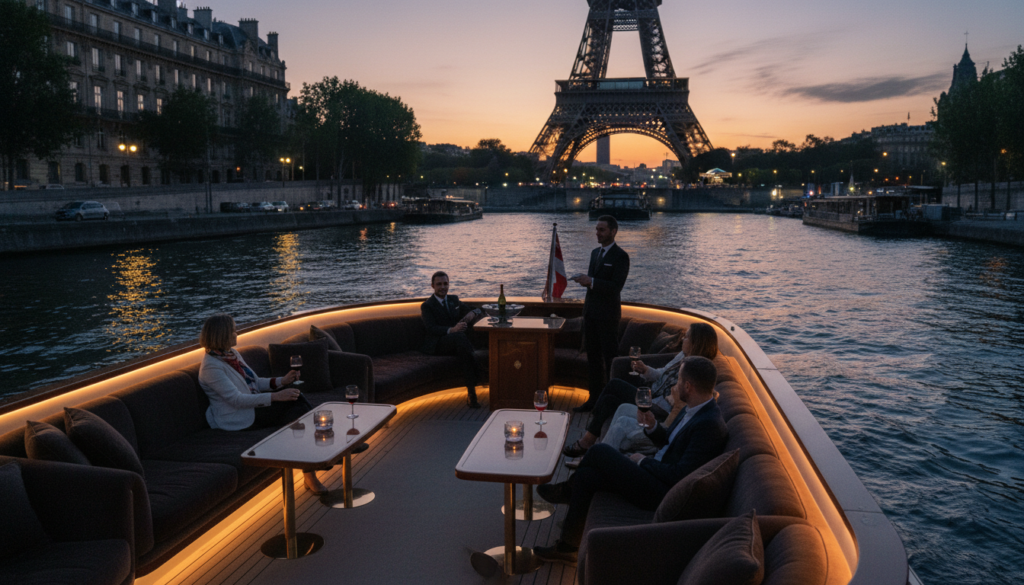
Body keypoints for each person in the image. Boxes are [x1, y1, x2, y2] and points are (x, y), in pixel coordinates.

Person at [534, 356, 728, 564]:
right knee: (588, 476)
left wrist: (642, 461)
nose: (676, 385)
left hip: (659, 490)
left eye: (679, 380)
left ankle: (566, 491)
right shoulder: (694, 408)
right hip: (656, 471)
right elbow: (670, 441)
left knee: (600, 452)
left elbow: (680, 475)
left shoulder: (708, 426)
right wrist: (654, 427)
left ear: (688, 386)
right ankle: (568, 547)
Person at [197, 314, 327, 494]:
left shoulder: (231, 355)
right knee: (295, 410)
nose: (237, 333)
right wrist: (276, 396)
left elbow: (255, 383)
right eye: (233, 330)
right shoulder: (211, 367)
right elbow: (237, 400)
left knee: (296, 399)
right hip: (237, 417)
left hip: (252, 405)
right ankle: (317, 459)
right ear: (222, 335)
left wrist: (283, 380)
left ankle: (316, 458)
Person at [561, 323, 719, 457]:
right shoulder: (682, 356)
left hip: (658, 408)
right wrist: (645, 369)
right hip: (653, 394)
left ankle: (588, 443)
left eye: (687, 337)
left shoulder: (694, 372)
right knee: (610, 400)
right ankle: (592, 446)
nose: (683, 339)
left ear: (696, 343)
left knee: (614, 385)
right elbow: (661, 372)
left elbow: (682, 402)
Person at [571, 215, 630, 412]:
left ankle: (611, 403)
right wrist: (587, 282)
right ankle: (593, 400)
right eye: (597, 229)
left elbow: (616, 287)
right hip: (591, 315)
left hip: (608, 317)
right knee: (593, 360)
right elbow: (593, 286)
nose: (597, 233)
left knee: (610, 360)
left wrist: (591, 281)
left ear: (613, 232)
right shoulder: (594, 253)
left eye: (602, 230)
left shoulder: (621, 256)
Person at [421, 271, 484, 408]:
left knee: (464, 351)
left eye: (445, 284)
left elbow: (476, 310)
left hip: (457, 343)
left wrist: (472, 313)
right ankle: (478, 371)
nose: (443, 287)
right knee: (460, 337)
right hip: (438, 343)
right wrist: (452, 330)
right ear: (432, 286)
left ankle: (472, 394)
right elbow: (431, 328)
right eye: (439, 284)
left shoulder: (453, 300)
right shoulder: (427, 306)